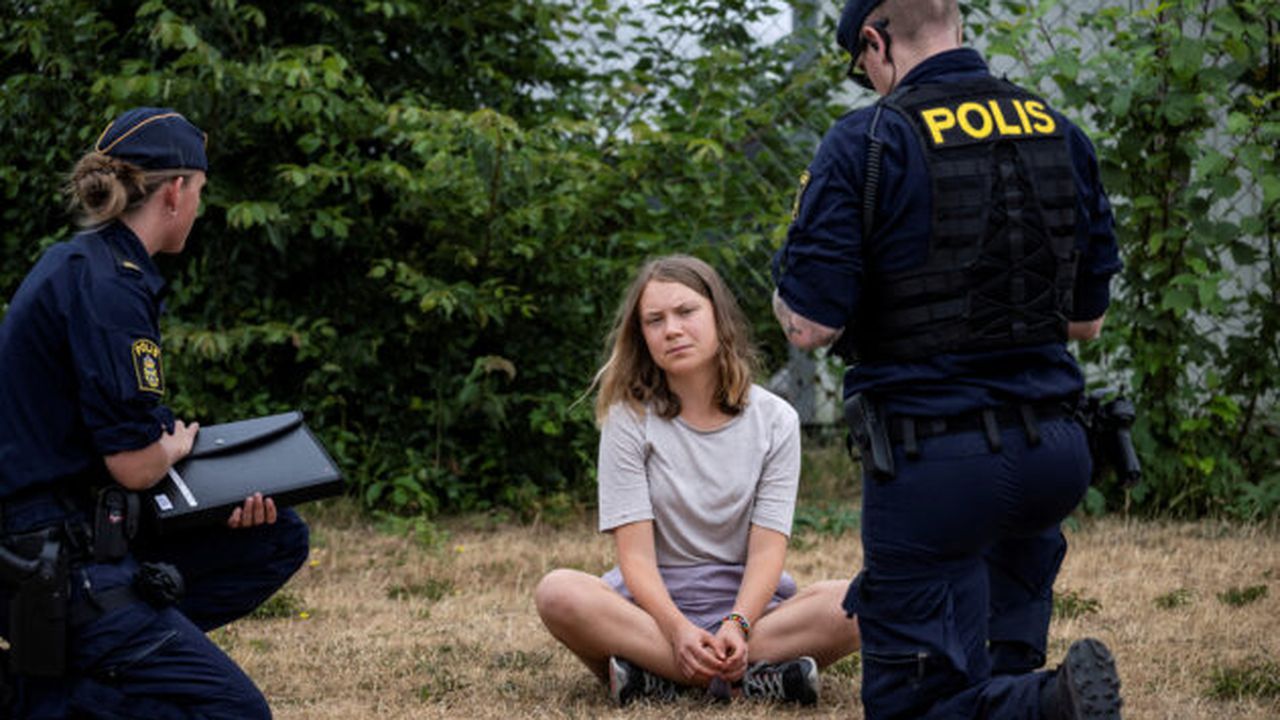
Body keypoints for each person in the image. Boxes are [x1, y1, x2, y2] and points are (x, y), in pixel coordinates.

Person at [770, 1, 1125, 718]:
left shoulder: (868, 140)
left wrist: (790, 279)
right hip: (1054, 456)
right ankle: (1037, 693)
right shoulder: (1059, 131)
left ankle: (1051, 706)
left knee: (914, 706)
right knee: (993, 665)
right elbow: (1086, 321)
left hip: (935, 470)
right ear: (957, 25)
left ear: (875, 41)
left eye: (862, 63)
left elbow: (809, 326)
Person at [0, 108, 310, 718]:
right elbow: (137, 466)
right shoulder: (112, 287)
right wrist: (172, 447)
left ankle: (111, 654)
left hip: (74, 526)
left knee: (277, 535)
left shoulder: (81, 262)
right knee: (234, 713)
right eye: (199, 191)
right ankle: (29, 698)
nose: (198, 204)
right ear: (175, 191)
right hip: (50, 555)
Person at [535, 255, 859, 707]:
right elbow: (635, 558)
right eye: (655, 320)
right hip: (650, 615)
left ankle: (656, 679)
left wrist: (738, 624)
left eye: (686, 312)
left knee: (862, 600)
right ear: (642, 336)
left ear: (719, 318)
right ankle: (751, 679)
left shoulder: (775, 420)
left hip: (751, 616)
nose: (672, 329)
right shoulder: (628, 420)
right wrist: (677, 629)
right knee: (559, 592)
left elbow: (768, 549)